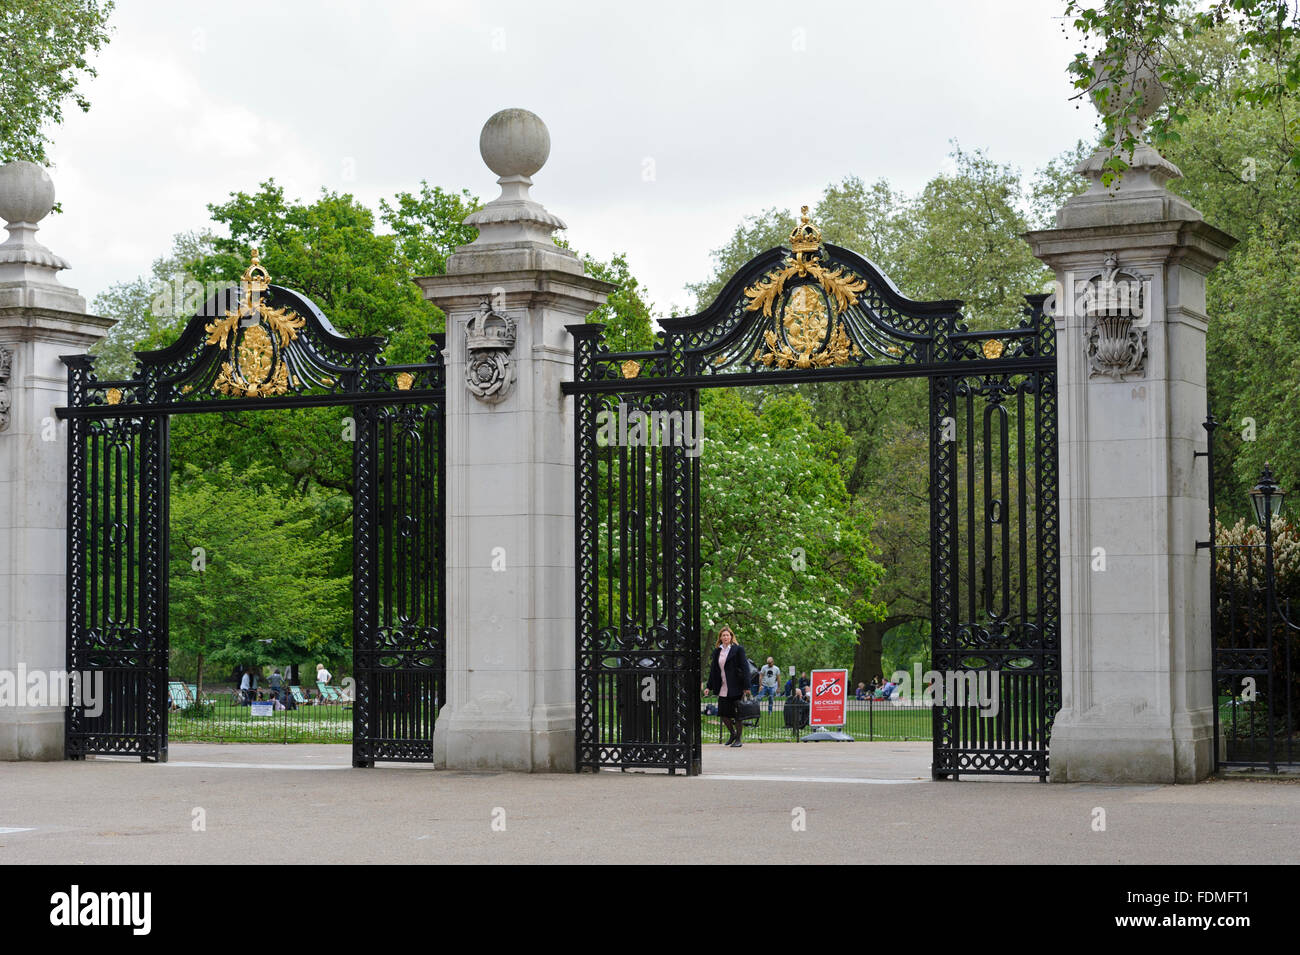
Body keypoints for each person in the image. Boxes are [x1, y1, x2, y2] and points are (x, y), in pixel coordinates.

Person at [705, 626, 750, 748]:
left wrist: (747, 686)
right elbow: (713, 671)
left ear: (731, 637)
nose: (725, 637)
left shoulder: (738, 649)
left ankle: (739, 739)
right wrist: (708, 686)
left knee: (737, 714)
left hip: (736, 686)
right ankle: (733, 734)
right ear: (720, 638)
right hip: (723, 687)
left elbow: (745, 668)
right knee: (723, 713)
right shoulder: (717, 651)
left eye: (727, 635)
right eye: (723, 635)